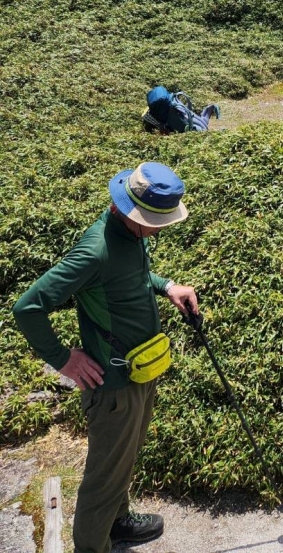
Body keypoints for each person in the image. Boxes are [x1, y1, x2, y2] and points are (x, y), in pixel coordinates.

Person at [13, 162, 198, 553]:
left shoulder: (131, 234)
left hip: (140, 371)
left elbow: (134, 278)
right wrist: (63, 359)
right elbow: (27, 307)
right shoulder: (95, 251)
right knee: (103, 481)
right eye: (156, 221)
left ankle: (119, 523)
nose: (160, 228)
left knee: (123, 460)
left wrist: (167, 287)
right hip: (113, 387)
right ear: (132, 211)